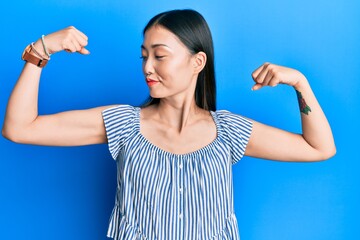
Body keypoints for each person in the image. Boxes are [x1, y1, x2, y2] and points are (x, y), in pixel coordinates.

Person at [2, 9, 335, 240]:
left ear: (197, 62)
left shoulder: (229, 132)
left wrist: (300, 83)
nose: (147, 66)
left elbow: (319, 148)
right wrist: (41, 50)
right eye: (144, 55)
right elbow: (20, 128)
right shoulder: (123, 124)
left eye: (159, 55)